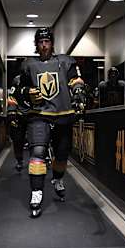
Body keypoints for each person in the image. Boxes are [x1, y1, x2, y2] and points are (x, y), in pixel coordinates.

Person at [16, 27, 86, 218]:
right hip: (38, 115)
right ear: (36, 44)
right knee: (37, 152)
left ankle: (57, 179)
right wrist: (27, 93)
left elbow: (75, 80)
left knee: (62, 155)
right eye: (41, 42)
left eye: (47, 41)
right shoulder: (28, 65)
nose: (44, 45)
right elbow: (18, 89)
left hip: (63, 114)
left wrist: (79, 92)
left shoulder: (65, 61)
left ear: (52, 43)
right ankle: (36, 192)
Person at [7, 75, 29, 172]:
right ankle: (19, 160)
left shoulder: (34, 82)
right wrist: (12, 114)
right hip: (20, 116)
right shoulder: (14, 88)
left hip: (34, 115)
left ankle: (43, 156)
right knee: (18, 140)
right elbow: (11, 100)